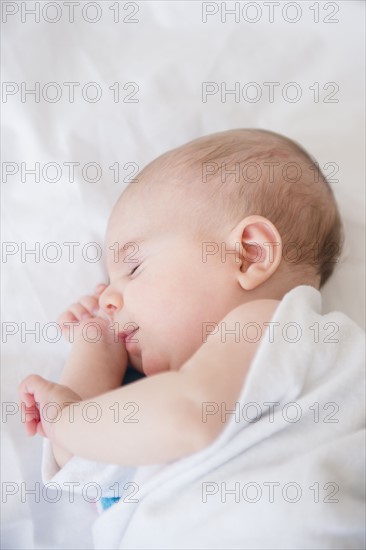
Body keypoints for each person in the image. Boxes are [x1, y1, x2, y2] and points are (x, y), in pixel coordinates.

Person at [18, 129, 365, 548]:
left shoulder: (275, 325)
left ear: (248, 255)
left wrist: (69, 418)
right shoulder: (159, 393)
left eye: (134, 267)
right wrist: (96, 344)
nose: (109, 295)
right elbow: (84, 462)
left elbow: (189, 414)